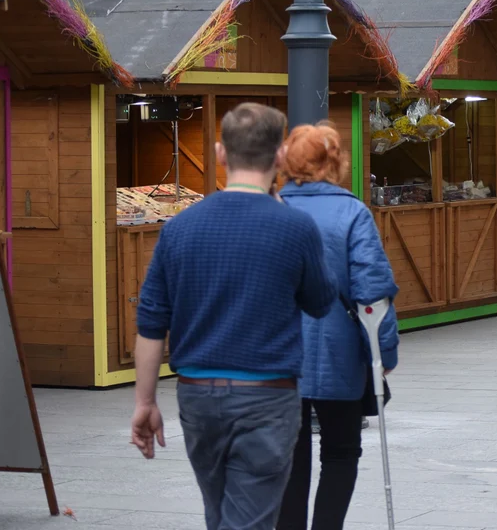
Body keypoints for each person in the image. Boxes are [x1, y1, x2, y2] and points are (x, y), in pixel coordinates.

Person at [131, 103, 335, 530]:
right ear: (280, 156)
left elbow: (152, 322)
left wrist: (145, 402)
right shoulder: (295, 228)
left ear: (221, 153)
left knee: (220, 512)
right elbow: (320, 302)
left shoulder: (179, 229)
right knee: (247, 520)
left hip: (197, 396)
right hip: (268, 396)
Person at [276, 122, 400, 530]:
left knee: (289, 458)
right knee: (342, 451)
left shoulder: (271, 209)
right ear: (335, 163)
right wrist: (385, 355)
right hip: (339, 352)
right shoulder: (351, 212)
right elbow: (373, 294)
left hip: (278, 356)